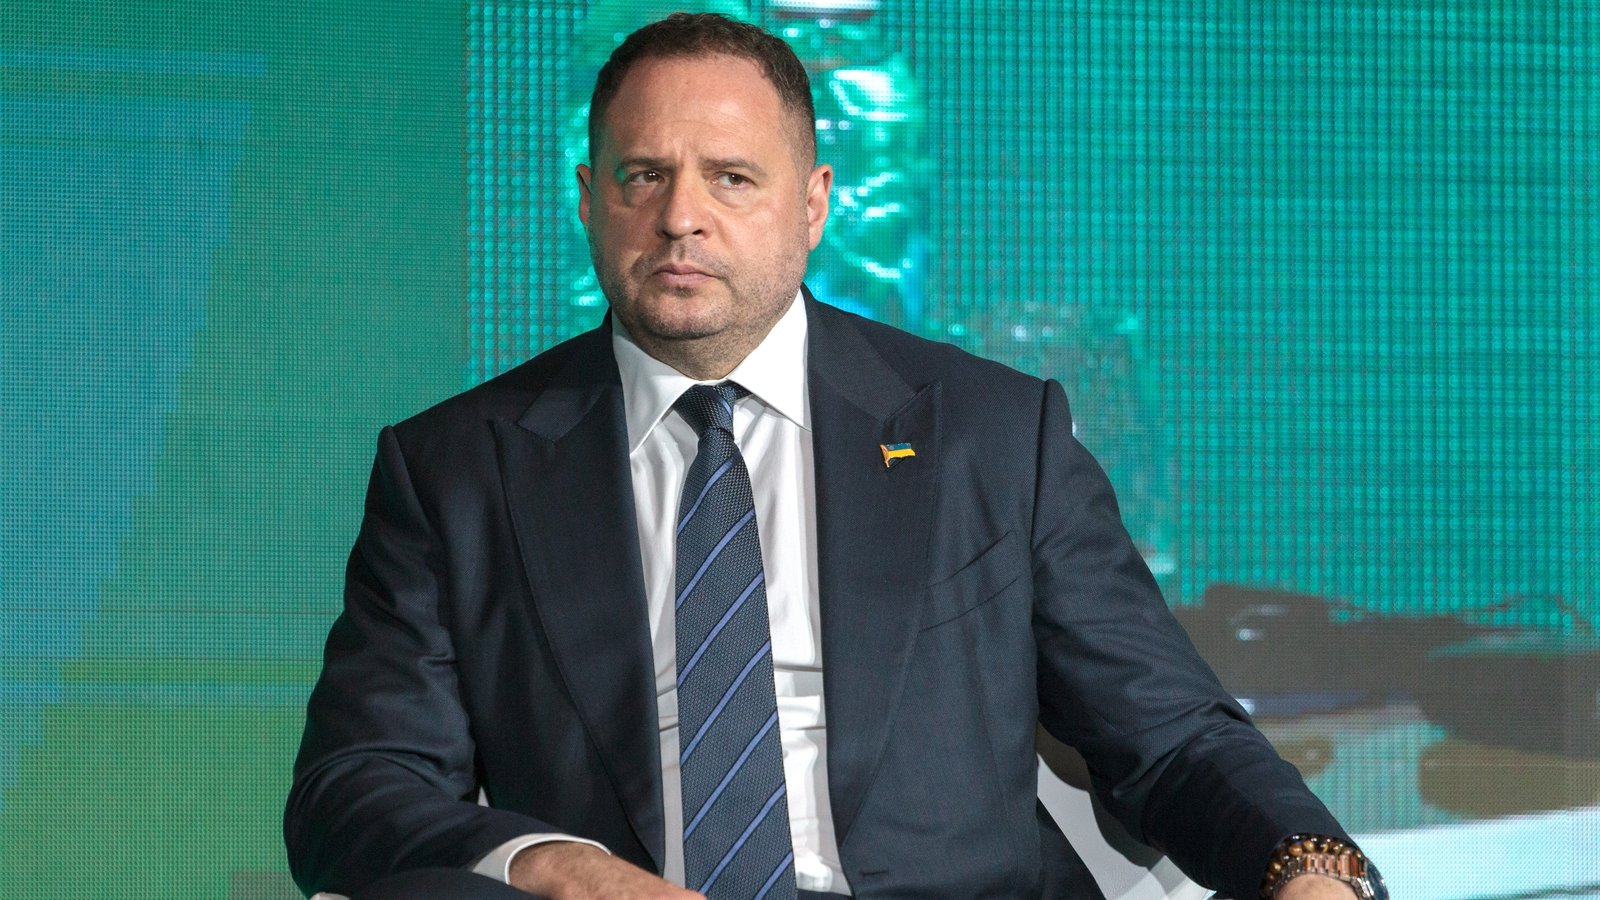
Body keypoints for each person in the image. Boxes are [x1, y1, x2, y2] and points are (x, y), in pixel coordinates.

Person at [285, 13, 1383, 900]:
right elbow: (355, 786)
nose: (680, 218)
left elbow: (1170, 737)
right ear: (586, 200)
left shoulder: (994, 436)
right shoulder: (456, 469)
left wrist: (1309, 869)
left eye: (732, 178)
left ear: (813, 205)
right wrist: (550, 865)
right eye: (643, 176)